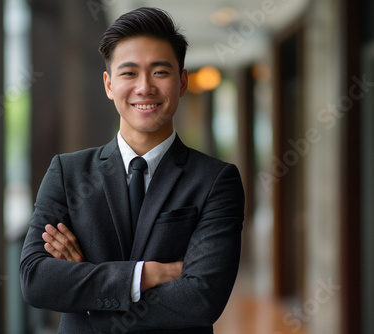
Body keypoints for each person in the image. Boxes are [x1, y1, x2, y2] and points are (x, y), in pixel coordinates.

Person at [20, 7, 244, 333]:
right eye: (129, 73)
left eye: (160, 72)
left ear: (182, 82)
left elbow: (202, 299)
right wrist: (147, 275)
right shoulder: (67, 172)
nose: (144, 88)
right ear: (109, 85)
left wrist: (85, 294)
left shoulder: (215, 180)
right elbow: (36, 281)